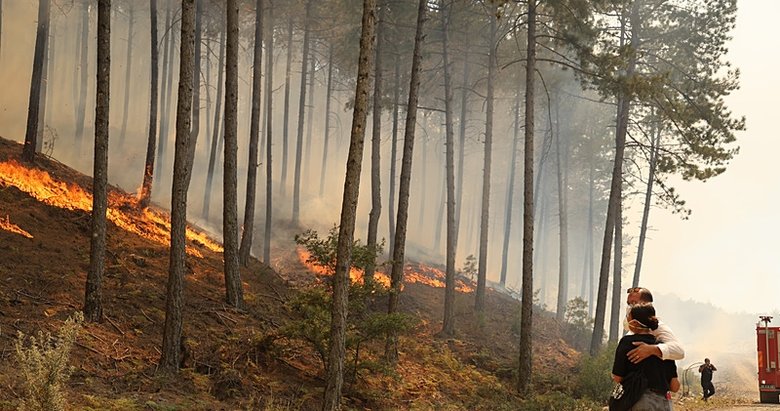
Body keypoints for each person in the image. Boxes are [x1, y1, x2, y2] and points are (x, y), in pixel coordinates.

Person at [612, 303, 680, 410]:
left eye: (628, 318)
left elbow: (617, 377)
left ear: (634, 323)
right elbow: (675, 386)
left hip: (640, 400)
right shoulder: (663, 348)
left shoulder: (627, 342)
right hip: (665, 403)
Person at [625, 287, 685, 364]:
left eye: (634, 303)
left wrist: (652, 349)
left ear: (646, 304)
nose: (630, 308)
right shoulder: (630, 333)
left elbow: (679, 351)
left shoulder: (658, 328)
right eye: (628, 304)